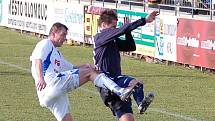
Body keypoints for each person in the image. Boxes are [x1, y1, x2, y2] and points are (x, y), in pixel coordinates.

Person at [30, 22, 138, 121]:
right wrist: (40, 78)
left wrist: (85, 66)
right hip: (51, 84)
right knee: (90, 73)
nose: (65, 38)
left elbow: (71, 68)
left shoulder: (56, 53)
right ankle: (119, 91)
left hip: (49, 94)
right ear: (53, 33)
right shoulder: (45, 43)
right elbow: (36, 60)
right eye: (62, 35)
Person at [93, 10, 159, 121]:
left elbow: (130, 47)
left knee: (128, 118)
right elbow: (120, 30)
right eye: (113, 26)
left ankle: (141, 104)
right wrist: (144, 20)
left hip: (117, 80)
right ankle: (139, 102)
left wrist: (127, 32)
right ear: (103, 25)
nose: (114, 29)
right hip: (106, 84)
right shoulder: (100, 37)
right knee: (135, 85)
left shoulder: (111, 40)